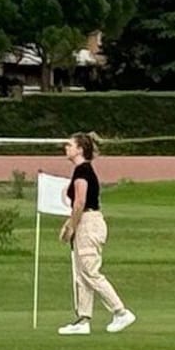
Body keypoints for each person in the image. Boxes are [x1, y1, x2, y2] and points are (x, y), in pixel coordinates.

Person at [57, 132, 136, 336]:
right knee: (81, 273)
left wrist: (72, 226)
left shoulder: (83, 171)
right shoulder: (80, 170)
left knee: (90, 271)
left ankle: (120, 311)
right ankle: (83, 319)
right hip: (84, 221)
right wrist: (69, 224)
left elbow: (81, 202)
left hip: (89, 223)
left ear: (80, 149)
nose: (66, 148)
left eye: (70, 145)